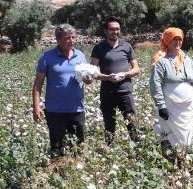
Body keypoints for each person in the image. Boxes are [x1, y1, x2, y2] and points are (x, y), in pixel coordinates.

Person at [32, 24, 90, 157]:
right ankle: (58, 172)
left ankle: (77, 173)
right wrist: (36, 107)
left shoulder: (80, 55)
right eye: (67, 38)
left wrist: (89, 79)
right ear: (58, 40)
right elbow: (38, 84)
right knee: (57, 148)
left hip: (77, 109)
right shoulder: (47, 57)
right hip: (55, 111)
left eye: (73, 37)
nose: (71, 40)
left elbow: (87, 79)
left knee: (78, 147)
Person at [90, 17, 141, 143]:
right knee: (109, 123)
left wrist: (124, 74)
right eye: (112, 29)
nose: (115, 32)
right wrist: (107, 77)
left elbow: (136, 69)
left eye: (117, 29)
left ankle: (137, 148)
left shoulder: (127, 46)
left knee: (131, 122)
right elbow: (92, 72)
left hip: (125, 92)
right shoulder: (99, 48)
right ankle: (109, 149)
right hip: (107, 92)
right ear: (105, 31)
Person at [150, 28, 193, 151]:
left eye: (179, 39)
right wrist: (161, 106)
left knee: (187, 135)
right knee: (170, 134)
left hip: (187, 107)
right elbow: (155, 85)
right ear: (167, 41)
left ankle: (185, 159)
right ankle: (171, 161)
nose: (178, 42)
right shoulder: (161, 63)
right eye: (174, 39)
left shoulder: (188, 61)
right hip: (170, 108)